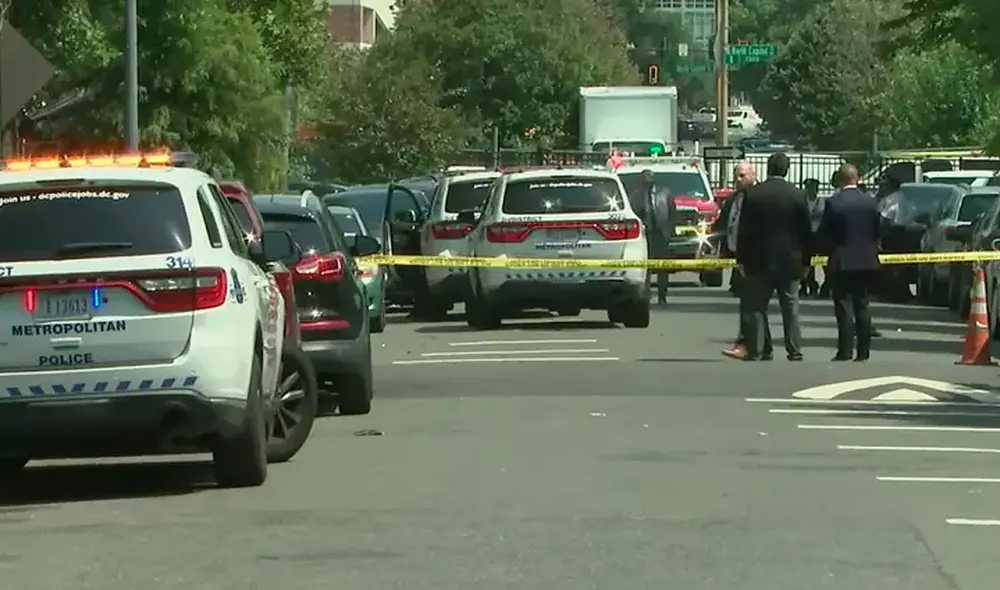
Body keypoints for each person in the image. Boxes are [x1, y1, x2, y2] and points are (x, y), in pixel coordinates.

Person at [730, 152, 811, 361]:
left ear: (768, 169)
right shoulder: (797, 195)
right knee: (791, 307)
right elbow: (806, 232)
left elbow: (744, 231)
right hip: (790, 260)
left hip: (759, 260)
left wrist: (741, 260)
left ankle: (758, 350)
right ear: (787, 169)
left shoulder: (754, 195)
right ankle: (794, 349)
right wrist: (806, 261)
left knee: (758, 307)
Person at [816, 164, 880, 361]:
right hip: (866, 260)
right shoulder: (870, 203)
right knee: (862, 304)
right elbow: (878, 230)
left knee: (843, 306)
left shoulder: (834, 203)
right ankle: (864, 351)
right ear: (857, 178)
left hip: (841, 260)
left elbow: (825, 233)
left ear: (841, 180)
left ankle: (845, 350)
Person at [715, 162, 756, 358]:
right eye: (736, 176)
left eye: (742, 175)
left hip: (753, 258)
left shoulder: (757, 198)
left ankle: (748, 344)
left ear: (752, 175)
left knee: (751, 304)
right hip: (736, 257)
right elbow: (724, 224)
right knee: (745, 303)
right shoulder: (733, 199)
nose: (738, 180)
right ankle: (747, 343)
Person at [637, 169, 675, 305]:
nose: (648, 182)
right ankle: (645, 294)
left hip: (661, 234)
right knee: (645, 267)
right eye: (645, 180)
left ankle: (662, 296)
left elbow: (672, 214)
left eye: (650, 179)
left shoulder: (665, 193)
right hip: (645, 235)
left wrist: (669, 232)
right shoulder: (636, 195)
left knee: (662, 268)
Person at [801, 178, 823, 297]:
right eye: (809, 188)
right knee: (805, 263)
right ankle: (805, 285)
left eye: (814, 188)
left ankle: (814, 285)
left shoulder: (821, 201)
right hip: (805, 234)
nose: (811, 190)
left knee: (819, 261)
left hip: (817, 234)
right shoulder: (802, 201)